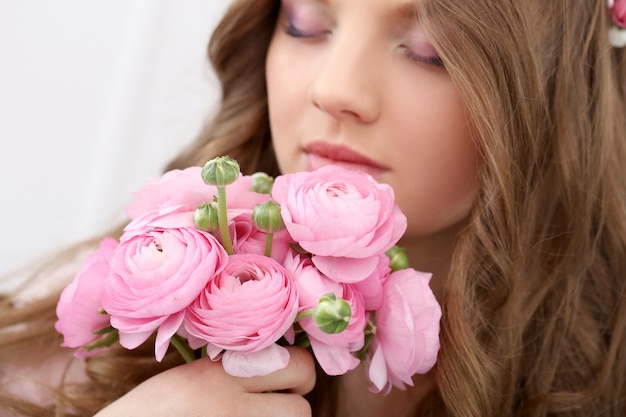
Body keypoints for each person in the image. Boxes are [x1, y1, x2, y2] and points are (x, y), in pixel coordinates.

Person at [1, 0, 625, 415]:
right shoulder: (84, 341)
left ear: (562, 97)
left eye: (434, 48)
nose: (335, 89)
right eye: (304, 23)